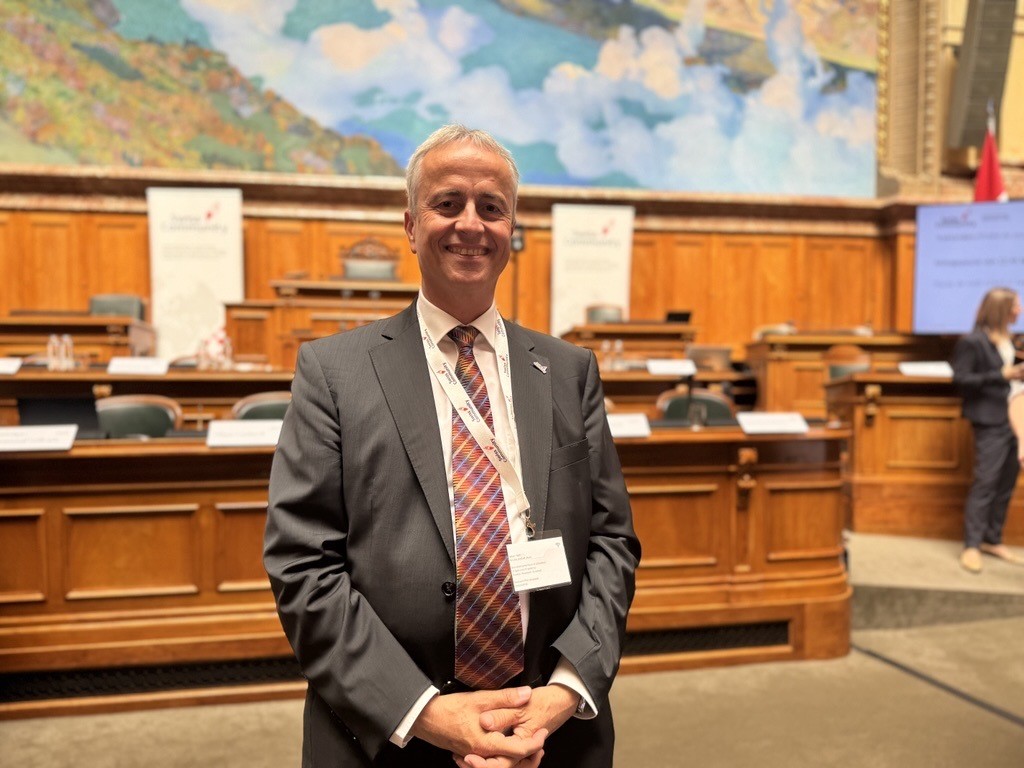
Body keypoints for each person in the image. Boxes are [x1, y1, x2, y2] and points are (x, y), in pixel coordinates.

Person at [264, 124, 641, 767]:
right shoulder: (334, 373)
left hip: (547, 730)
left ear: (511, 231)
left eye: (492, 207)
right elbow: (303, 564)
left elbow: (611, 543)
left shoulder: (569, 371)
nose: (471, 223)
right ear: (411, 226)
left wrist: (564, 689)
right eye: (448, 203)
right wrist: (425, 713)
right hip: (387, 733)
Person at [952, 287, 1024, 572]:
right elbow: (961, 380)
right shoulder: (973, 342)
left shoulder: (1014, 340)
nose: (1019, 310)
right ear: (1002, 308)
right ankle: (972, 545)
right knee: (986, 482)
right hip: (990, 420)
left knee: (1006, 483)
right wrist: (1000, 375)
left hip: (1015, 420)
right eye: (1015, 305)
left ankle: (992, 539)